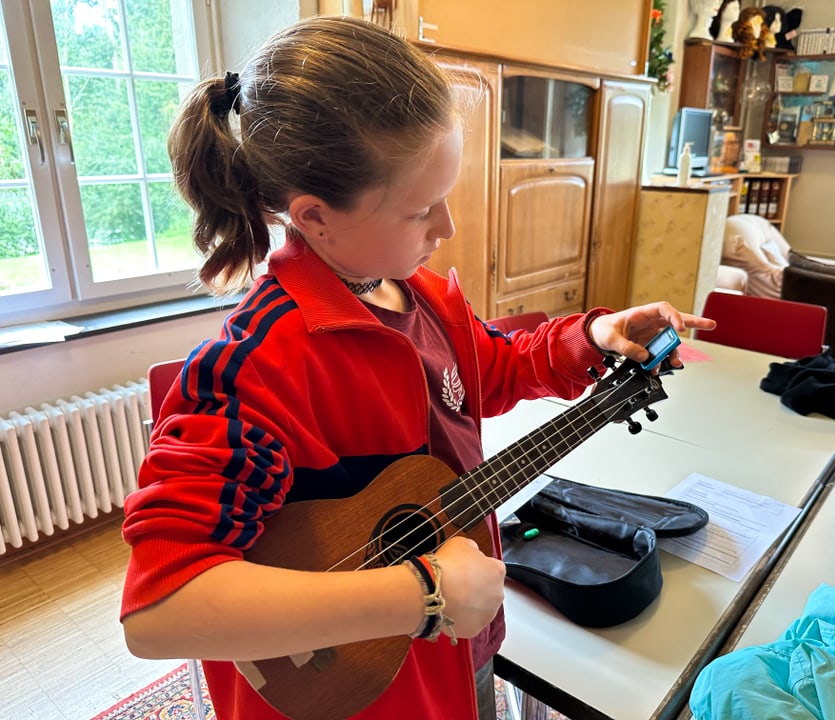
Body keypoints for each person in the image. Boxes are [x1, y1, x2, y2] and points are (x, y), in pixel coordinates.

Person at [119, 15, 716, 720]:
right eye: (420, 210)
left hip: (459, 638)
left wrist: (592, 334)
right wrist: (422, 593)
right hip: (369, 689)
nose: (448, 229)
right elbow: (160, 609)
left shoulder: (425, 298)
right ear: (315, 218)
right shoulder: (255, 369)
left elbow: (494, 369)